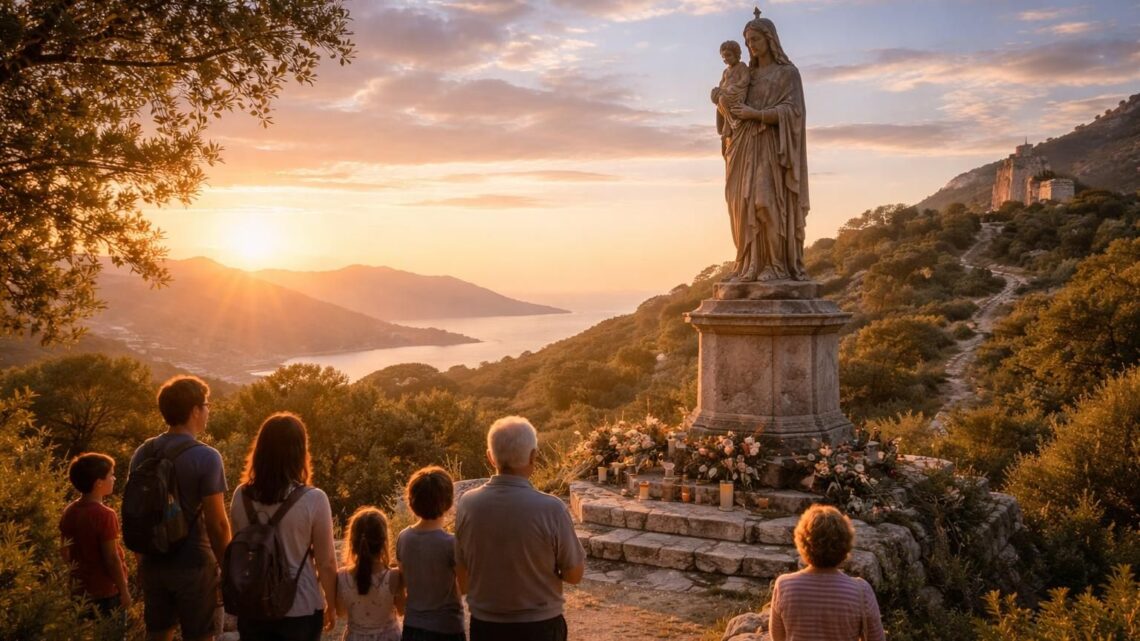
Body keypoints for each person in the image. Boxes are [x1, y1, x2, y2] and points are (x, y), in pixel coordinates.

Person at [455, 416, 586, 641]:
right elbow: (574, 575)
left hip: (486, 626)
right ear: (534, 456)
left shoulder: (468, 504)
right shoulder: (552, 508)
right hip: (541, 627)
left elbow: (463, 577)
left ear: (490, 458)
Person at [712, 8, 810, 283]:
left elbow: (794, 112)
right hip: (742, 148)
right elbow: (730, 106)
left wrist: (757, 114)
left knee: (764, 203)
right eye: (747, 42)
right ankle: (749, 265)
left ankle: (776, 266)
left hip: (771, 148)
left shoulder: (787, 74)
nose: (751, 46)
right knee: (742, 207)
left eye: (755, 40)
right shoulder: (745, 75)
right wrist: (721, 100)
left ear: (769, 39)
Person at [130, 375, 231, 641]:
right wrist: (227, 568)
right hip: (194, 565)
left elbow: (136, 513)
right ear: (196, 410)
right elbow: (217, 524)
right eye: (206, 405)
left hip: (153, 562)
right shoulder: (207, 457)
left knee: (158, 634)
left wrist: (142, 564)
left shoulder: (143, 452)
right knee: (199, 636)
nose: (208, 411)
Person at [229, 412, 338, 641]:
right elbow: (326, 562)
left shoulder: (241, 496)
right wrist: (332, 602)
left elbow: (238, 547)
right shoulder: (314, 499)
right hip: (301, 607)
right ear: (300, 452)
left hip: (254, 605)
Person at [768, 504, 885, 641]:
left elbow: (777, 638)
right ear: (845, 543)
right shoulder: (860, 591)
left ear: (802, 541)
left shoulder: (784, 586)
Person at [396, 466, 465, 641]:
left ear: (411, 502)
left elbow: (403, 581)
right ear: (448, 502)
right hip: (447, 628)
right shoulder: (451, 543)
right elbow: (465, 586)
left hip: (413, 627)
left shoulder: (403, 538)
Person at [60, 452, 132, 616]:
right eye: (111, 475)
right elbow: (112, 558)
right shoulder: (105, 514)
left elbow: (64, 551)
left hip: (79, 591)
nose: (113, 479)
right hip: (106, 591)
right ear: (99, 483)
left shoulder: (70, 511)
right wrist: (124, 590)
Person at [337, 506, 405, 641]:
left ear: (352, 542)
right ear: (384, 541)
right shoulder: (394, 576)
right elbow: (402, 610)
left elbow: (341, 612)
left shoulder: (342, 576)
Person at [715, 40, 751, 141]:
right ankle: (728, 121)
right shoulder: (725, 71)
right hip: (726, 95)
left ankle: (731, 121)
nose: (726, 59)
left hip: (737, 93)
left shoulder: (741, 66)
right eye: (723, 57)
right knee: (720, 101)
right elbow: (722, 83)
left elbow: (745, 79)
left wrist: (734, 87)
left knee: (722, 100)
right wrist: (718, 90)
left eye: (728, 55)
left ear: (737, 54)